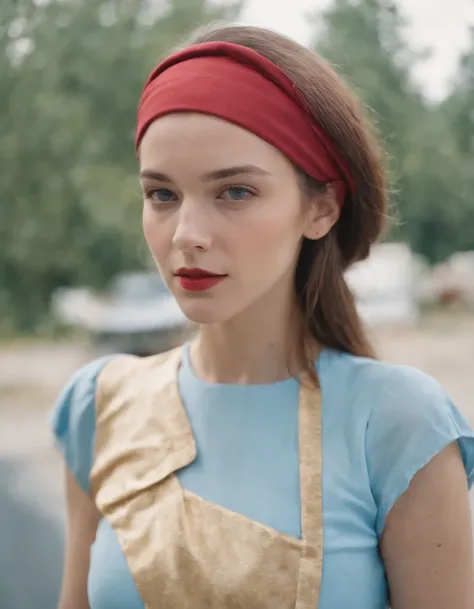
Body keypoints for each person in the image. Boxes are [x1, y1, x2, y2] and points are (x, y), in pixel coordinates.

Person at [51, 25, 474, 609]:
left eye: (235, 193)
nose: (187, 236)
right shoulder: (98, 406)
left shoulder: (398, 425)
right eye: (162, 195)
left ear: (320, 208)